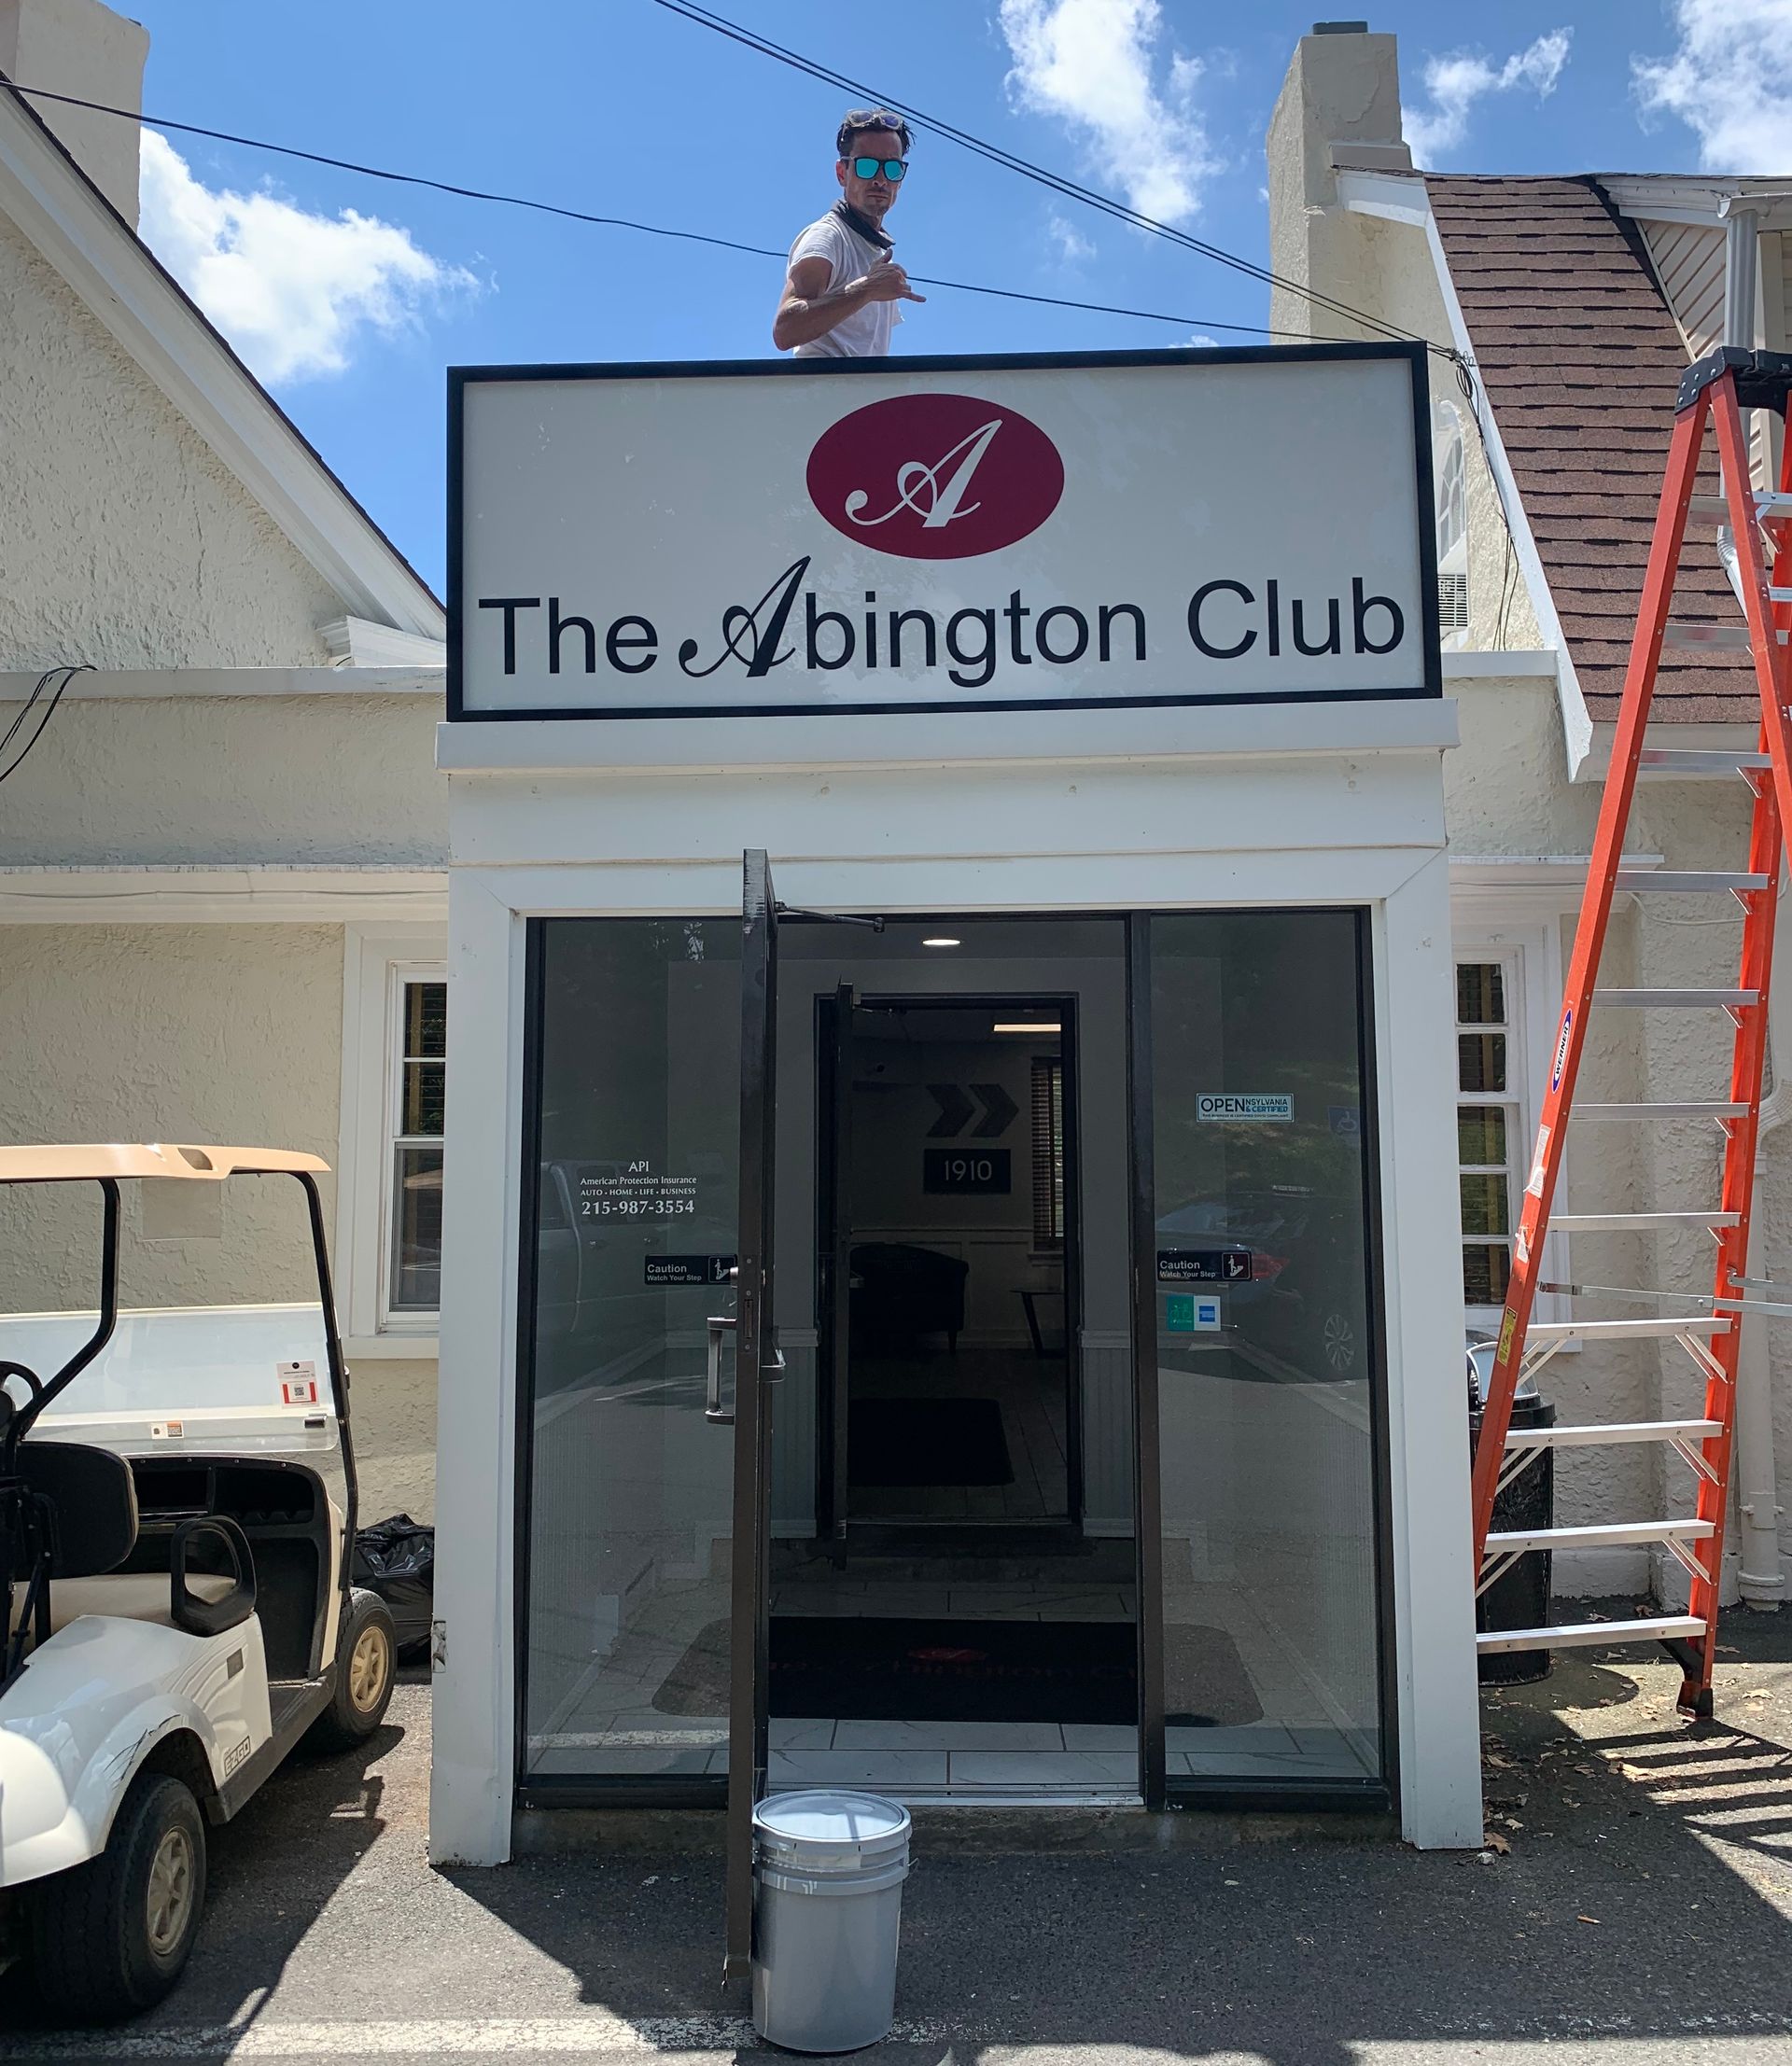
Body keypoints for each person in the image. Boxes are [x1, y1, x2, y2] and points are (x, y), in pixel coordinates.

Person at [774, 109, 926, 356]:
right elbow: (786, 329)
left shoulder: (874, 250)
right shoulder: (828, 236)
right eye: (867, 166)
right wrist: (866, 289)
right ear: (842, 173)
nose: (880, 179)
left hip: (859, 394)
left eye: (892, 169)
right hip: (823, 392)